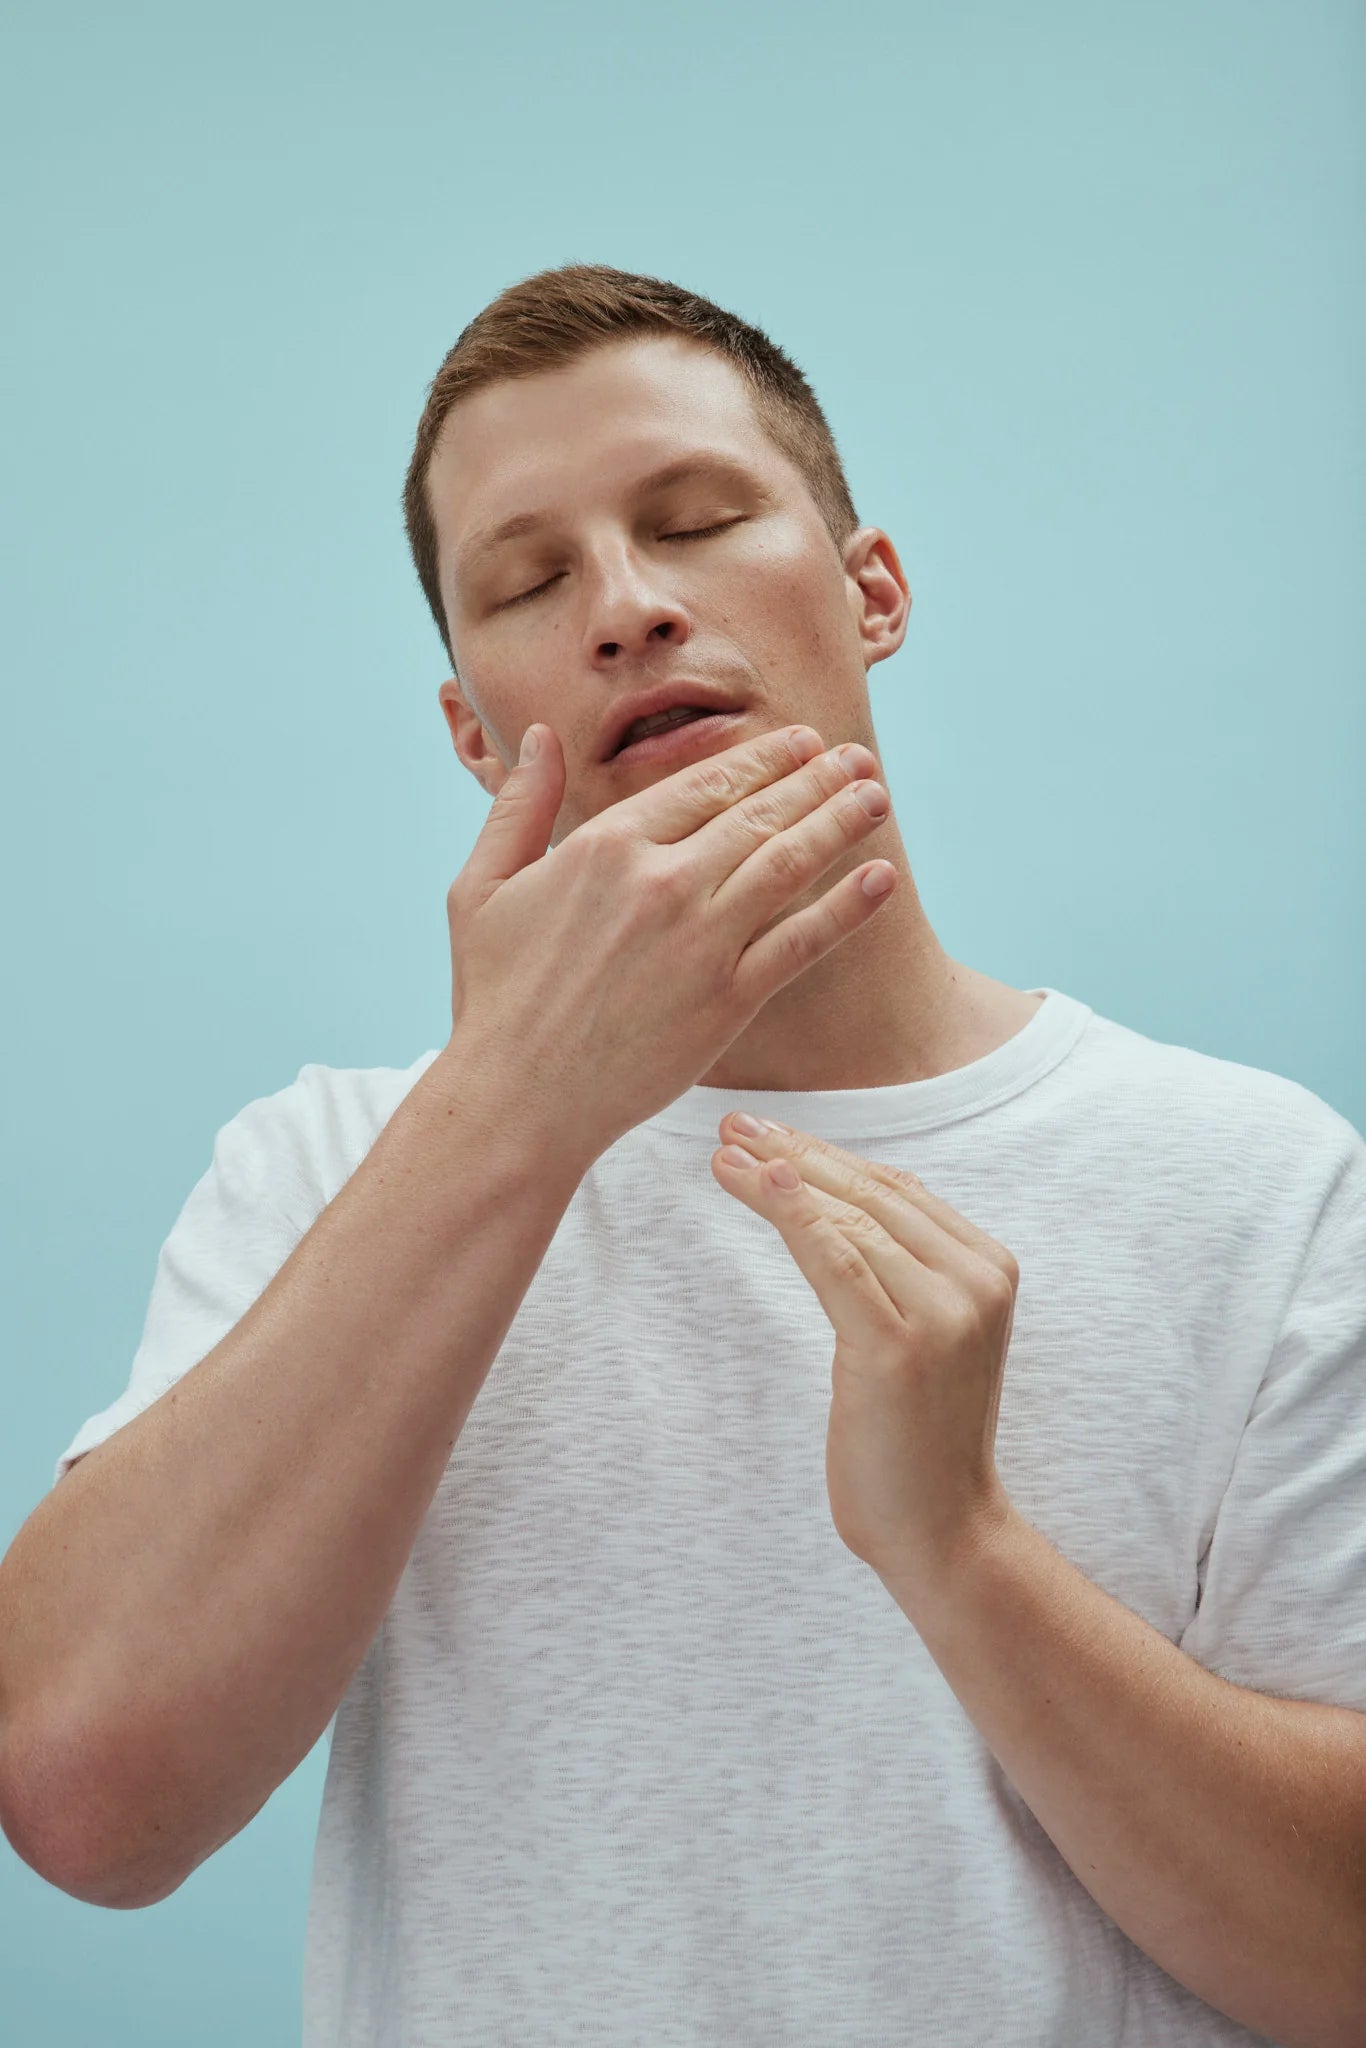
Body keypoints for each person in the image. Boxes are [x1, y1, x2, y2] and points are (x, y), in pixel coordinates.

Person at [5, 263, 1364, 2047]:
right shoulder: (325, 1164)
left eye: (697, 521)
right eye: (527, 579)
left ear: (869, 591)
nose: (628, 609)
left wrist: (956, 1549)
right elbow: (83, 1801)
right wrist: (518, 1105)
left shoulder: (1255, 1183)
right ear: (473, 729)